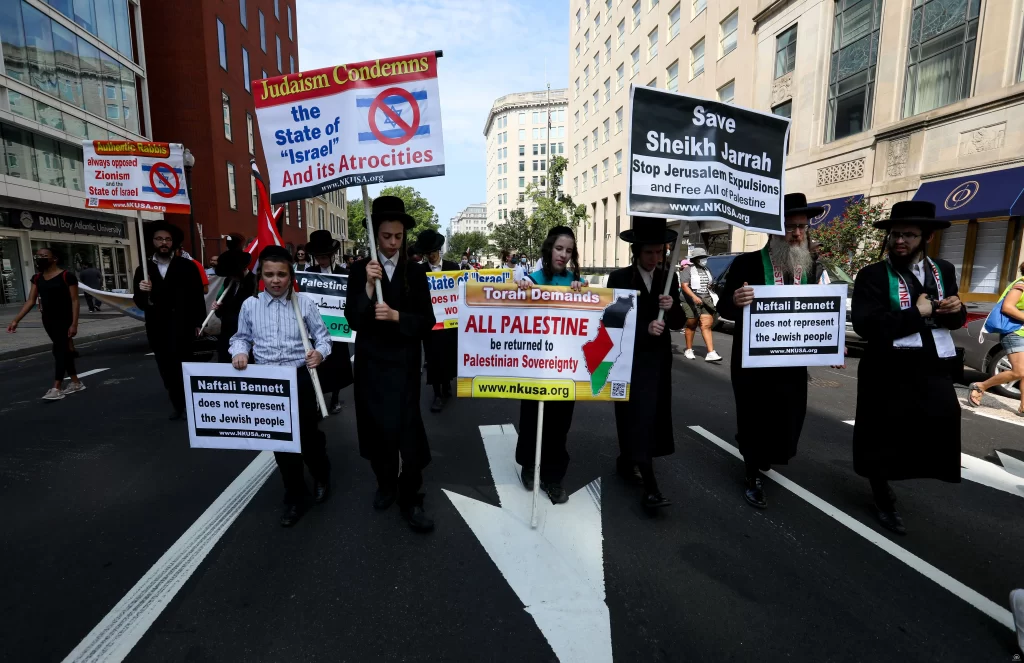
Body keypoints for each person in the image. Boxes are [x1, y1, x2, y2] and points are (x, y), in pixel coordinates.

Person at [851, 201, 965, 535]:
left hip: (930, 366)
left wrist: (956, 309)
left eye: (909, 235)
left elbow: (954, 320)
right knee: (881, 434)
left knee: (941, 418)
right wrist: (916, 312)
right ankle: (881, 494)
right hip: (886, 369)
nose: (899, 241)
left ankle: (912, 470)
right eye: (895, 234)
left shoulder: (943, 270)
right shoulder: (872, 275)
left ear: (927, 236)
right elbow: (866, 324)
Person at [718, 193, 830, 509]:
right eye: (790, 227)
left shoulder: (808, 267)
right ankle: (751, 472)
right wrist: (736, 300)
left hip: (792, 360)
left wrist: (830, 343)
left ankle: (765, 455)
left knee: (788, 417)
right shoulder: (746, 263)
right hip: (752, 361)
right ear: (774, 229)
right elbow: (724, 307)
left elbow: (816, 313)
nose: (797, 234)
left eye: (802, 227)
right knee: (754, 418)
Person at [347, 196, 437, 532]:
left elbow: (427, 321)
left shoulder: (415, 271)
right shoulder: (359, 270)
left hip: (404, 363)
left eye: (398, 237)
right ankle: (386, 483)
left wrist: (398, 316)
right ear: (375, 235)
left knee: (407, 429)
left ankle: (411, 494)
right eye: (386, 236)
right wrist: (369, 287)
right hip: (371, 362)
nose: (392, 243)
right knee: (377, 429)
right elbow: (354, 319)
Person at [230, 245, 333, 527]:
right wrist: (239, 352)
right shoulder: (250, 305)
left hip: (299, 378)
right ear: (261, 275)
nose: (275, 280)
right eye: (269, 274)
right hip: (267, 383)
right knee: (282, 443)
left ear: (291, 275)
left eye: (281, 274)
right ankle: (295, 496)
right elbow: (241, 338)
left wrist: (319, 353)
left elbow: (324, 339)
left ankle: (322, 473)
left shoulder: (305, 304)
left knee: (308, 438)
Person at [606, 218, 684, 510]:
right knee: (635, 416)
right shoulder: (620, 279)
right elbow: (613, 321)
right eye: (649, 253)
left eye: (660, 252)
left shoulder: (669, 277)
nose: (655, 258)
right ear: (637, 252)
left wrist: (671, 307)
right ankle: (651, 488)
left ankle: (629, 460)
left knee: (650, 416)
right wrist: (644, 328)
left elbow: (677, 322)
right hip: (629, 361)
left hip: (659, 362)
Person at [516, 226, 587, 505]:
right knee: (532, 420)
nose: (564, 255)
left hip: (565, 369)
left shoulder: (575, 282)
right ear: (549, 248)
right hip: (534, 367)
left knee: (559, 426)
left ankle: (553, 477)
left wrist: (583, 293)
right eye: (559, 249)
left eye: (569, 251)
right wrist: (520, 290)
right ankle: (528, 465)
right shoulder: (531, 279)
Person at [134, 221, 207, 420]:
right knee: (166, 368)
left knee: (185, 365)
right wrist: (143, 292)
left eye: (167, 239)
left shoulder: (187, 267)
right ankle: (177, 404)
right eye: (159, 239)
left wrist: (199, 322)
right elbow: (139, 303)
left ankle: (191, 404)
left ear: (173, 243)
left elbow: (197, 296)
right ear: (153, 242)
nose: (164, 243)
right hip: (158, 327)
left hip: (183, 326)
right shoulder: (144, 269)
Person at [6, 247, 85, 400]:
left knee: (59, 350)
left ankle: (56, 387)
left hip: (65, 318)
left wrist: (74, 323)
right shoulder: (37, 278)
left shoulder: (66, 276)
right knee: (63, 350)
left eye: (44, 256)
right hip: (48, 320)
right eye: (38, 256)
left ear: (54, 258)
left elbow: (75, 301)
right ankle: (76, 382)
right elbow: (31, 301)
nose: (40, 258)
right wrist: (16, 320)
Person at [305, 229, 354, 415]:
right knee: (317, 364)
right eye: (318, 256)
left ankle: (335, 397)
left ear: (332, 254)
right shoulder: (309, 273)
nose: (321, 259)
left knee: (337, 364)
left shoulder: (344, 274)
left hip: (337, 328)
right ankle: (318, 398)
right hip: (316, 328)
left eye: (324, 255)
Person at [967, 261, 1024, 412]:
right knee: (1019, 372)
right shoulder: (1021, 285)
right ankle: (981, 386)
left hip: (1021, 332)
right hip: (1014, 333)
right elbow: (1007, 307)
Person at [414, 229, 459, 413]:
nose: (430, 257)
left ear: (439, 251)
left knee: (448, 355)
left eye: (432, 253)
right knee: (432, 357)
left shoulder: (453, 267)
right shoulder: (420, 270)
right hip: (430, 322)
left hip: (449, 322)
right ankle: (437, 394)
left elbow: (460, 291)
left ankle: (447, 383)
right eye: (427, 254)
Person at [211, 248, 257, 363]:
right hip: (226, 335)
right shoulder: (228, 281)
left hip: (245, 339)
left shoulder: (254, 283)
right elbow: (223, 312)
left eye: (233, 273)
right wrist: (218, 308)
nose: (231, 276)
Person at [679, 248, 722, 362]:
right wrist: (694, 297)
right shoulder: (688, 270)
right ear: (696, 259)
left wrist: (710, 288)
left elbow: (709, 283)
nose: (704, 260)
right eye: (702, 258)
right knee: (692, 325)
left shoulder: (706, 269)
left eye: (705, 257)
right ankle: (688, 349)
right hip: (690, 301)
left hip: (705, 300)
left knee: (706, 325)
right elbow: (684, 286)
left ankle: (711, 352)